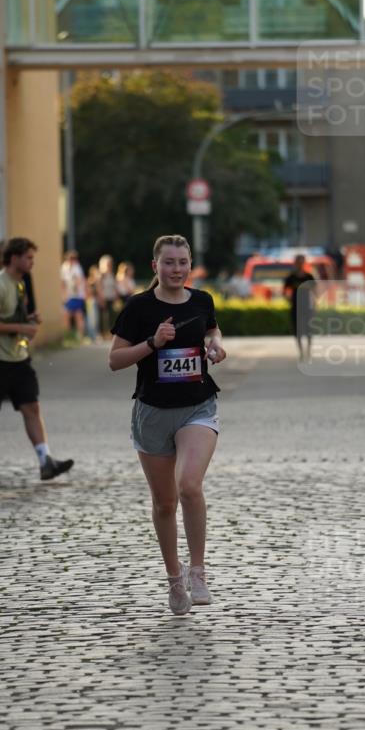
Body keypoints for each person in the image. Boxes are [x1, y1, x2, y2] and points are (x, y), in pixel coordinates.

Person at [109, 234, 226, 616]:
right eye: (169, 262)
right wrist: (152, 343)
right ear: (155, 266)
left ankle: (198, 571)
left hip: (197, 406)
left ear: (190, 265)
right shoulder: (138, 307)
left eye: (182, 262)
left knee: (189, 484)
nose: (177, 269)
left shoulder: (202, 300)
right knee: (164, 502)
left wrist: (215, 344)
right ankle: (174, 579)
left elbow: (211, 329)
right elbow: (115, 360)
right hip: (152, 412)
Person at [0, 236, 74, 484]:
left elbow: (9, 317)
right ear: (14, 257)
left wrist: (29, 320)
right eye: (28, 257)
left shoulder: (19, 284)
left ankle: (45, 461)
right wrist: (21, 326)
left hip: (17, 357)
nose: (32, 262)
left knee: (31, 406)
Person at [283, 254, 316, 362]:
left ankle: (308, 351)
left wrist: (314, 304)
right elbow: (284, 291)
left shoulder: (308, 277)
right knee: (297, 330)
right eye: (298, 262)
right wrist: (288, 300)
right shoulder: (291, 277)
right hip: (295, 306)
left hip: (307, 306)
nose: (300, 264)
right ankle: (301, 352)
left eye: (302, 262)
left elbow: (314, 291)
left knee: (309, 329)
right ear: (295, 263)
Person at [61, 250, 87, 339]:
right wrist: (64, 295)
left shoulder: (77, 267)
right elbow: (63, 282)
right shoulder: (64, 267)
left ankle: (79, 336)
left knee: (77, 315)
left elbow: (79, 281)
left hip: (77, 295)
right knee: (67, 315)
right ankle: (68, 335)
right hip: (69, 296)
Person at [97, 254, 118, 337]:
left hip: (111, 298)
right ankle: (102, 334)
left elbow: (114, 286)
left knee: (111, 317)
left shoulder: (111, 274)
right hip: (104, 298)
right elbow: (99, 288)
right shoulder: (101, 275)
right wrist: (101, 298)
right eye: (107, 264)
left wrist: (116, 296)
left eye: (110, 264)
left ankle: (109, 334)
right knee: (103, 317)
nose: (109, 265)